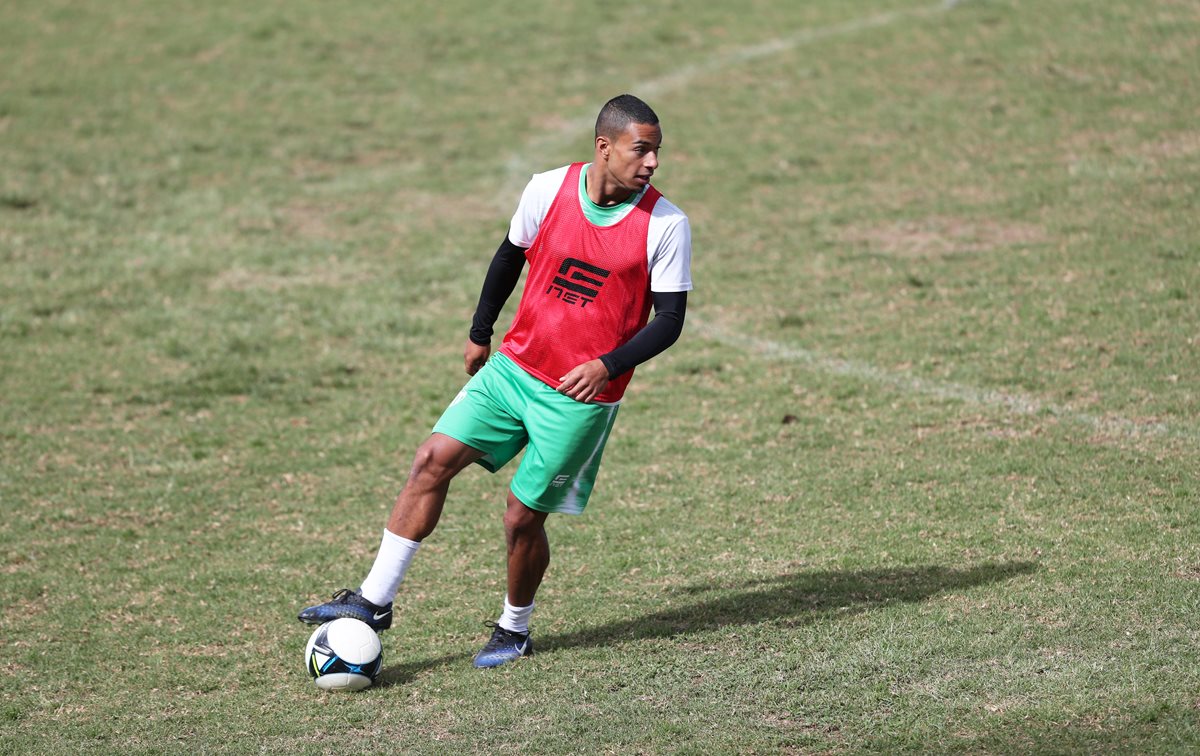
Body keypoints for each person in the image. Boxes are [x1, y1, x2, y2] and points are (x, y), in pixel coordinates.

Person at [299, 94, 693, 668]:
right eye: (642, 149)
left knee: (521, 515)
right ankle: (372, 602)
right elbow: (510, 255)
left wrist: (606, 364)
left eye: (657, 151)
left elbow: (670, 321)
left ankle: (514, 627)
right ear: (603, 148)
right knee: (431, 459)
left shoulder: (665, 223)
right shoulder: (546, 189)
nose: (653, 162)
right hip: (513, 368)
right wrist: (480, 330)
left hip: (577, 398)